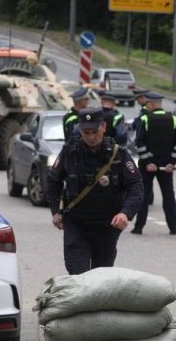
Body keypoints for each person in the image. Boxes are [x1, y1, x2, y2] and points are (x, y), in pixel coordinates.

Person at [45, 108, 143, 275]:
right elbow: (52, 181)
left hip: (107, 227)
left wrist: (125, 214)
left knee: (100, 279)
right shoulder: (70, 151)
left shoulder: (117, 154)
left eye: (95, 132)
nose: (91, 137)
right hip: (77, 225)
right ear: (80, 130)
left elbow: (136, 185)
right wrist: (55, 212)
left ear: (104, 127)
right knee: (78, 275)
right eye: (86, 132)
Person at [131, 91, 176, 235]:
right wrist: (172, 163)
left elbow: (139, 143)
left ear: (152, 104)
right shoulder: (173, 119)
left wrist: (148, 161)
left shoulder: (146, 120)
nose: (146, 106)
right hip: (166, 166)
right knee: (168, 196)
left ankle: (139, 227)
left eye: (147, 103)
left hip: (148, 166)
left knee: (144, 197)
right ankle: (173, 228)